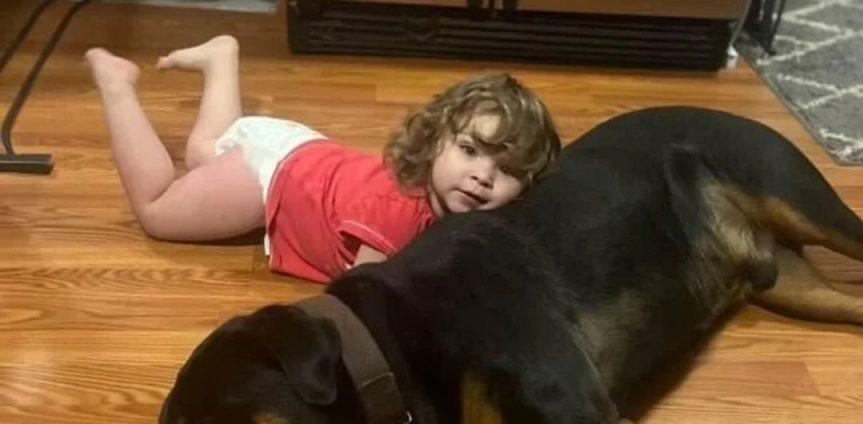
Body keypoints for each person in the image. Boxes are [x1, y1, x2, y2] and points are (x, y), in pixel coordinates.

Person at [85, 35, 560, 283]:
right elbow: (361, 300)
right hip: (270, 178)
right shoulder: (397, 216)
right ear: (436, 139)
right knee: (158, 208)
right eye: (470, 151)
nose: (482, 176)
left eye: (506, 170)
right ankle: (117, 84)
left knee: (202, 153)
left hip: (303, 151)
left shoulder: (462, 208)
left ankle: (221, 59)